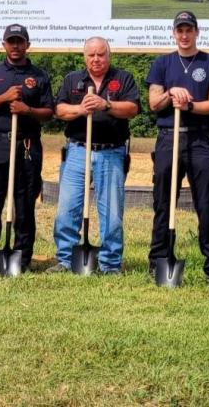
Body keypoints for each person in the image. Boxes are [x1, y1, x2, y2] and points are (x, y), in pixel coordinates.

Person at [147, 11, 209, 279]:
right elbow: (153, 103)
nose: (184, 35)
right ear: (174, 33)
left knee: (205, 202)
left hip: (199, 139)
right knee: (163, 201)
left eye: (188, 30)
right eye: (180, 30)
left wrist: (189, 105)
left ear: (196, 32)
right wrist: (170, 94)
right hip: (168, 137)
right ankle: (159, 260)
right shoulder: (162, 63)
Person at [51, 36, 141, 274]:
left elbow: (133, 108)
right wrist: (81, 109)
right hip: (77, 151)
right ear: (85, 57)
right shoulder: (72, 79)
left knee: (111, 211)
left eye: (101, 54)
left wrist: (106, 105)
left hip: (111, 152)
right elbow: (59, 109)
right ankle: (66, 259)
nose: (96, 59)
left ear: (109, 56)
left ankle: (110, 263)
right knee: (67, 208)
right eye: (91, 55)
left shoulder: (123, 78)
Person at [0, 24, 54, 273]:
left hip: (27, 144)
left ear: (28, 45)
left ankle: (22, 257)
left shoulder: (39, 76)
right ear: (4, 44)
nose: (15, 45)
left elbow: (49, 112)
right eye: (11, 41)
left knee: (25, 202)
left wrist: (27, 110)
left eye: (20, 41)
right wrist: (4, 98)